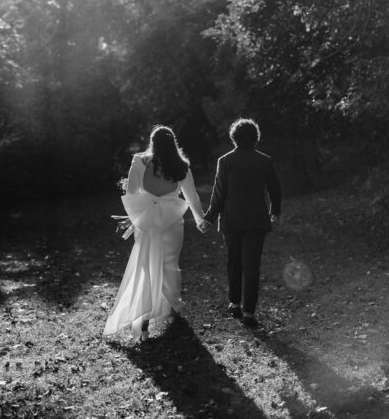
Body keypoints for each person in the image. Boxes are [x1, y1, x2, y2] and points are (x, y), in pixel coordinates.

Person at [103, 125, 208, 342]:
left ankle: (143, 321)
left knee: (146, 268)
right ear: (173, 143)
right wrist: (200, 219)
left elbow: (131, 193)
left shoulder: (140, 162)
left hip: (147, 223)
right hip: (171, 223)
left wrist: (137, 216)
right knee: (170, 265)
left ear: (152, 142)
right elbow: (192, 197)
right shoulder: (182, 167)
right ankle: (171, 310)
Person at [204, 118, 281, 328]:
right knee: (252, 266)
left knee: (234, 262)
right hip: (256, 219)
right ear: (256, 137)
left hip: (231, 219)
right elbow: (275, 188)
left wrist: (209, 218)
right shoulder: (264, 160)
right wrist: (275, 211)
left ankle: (234, 303)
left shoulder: (225, 161)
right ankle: (249, 313)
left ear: (234, 137)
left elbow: (219, 193)